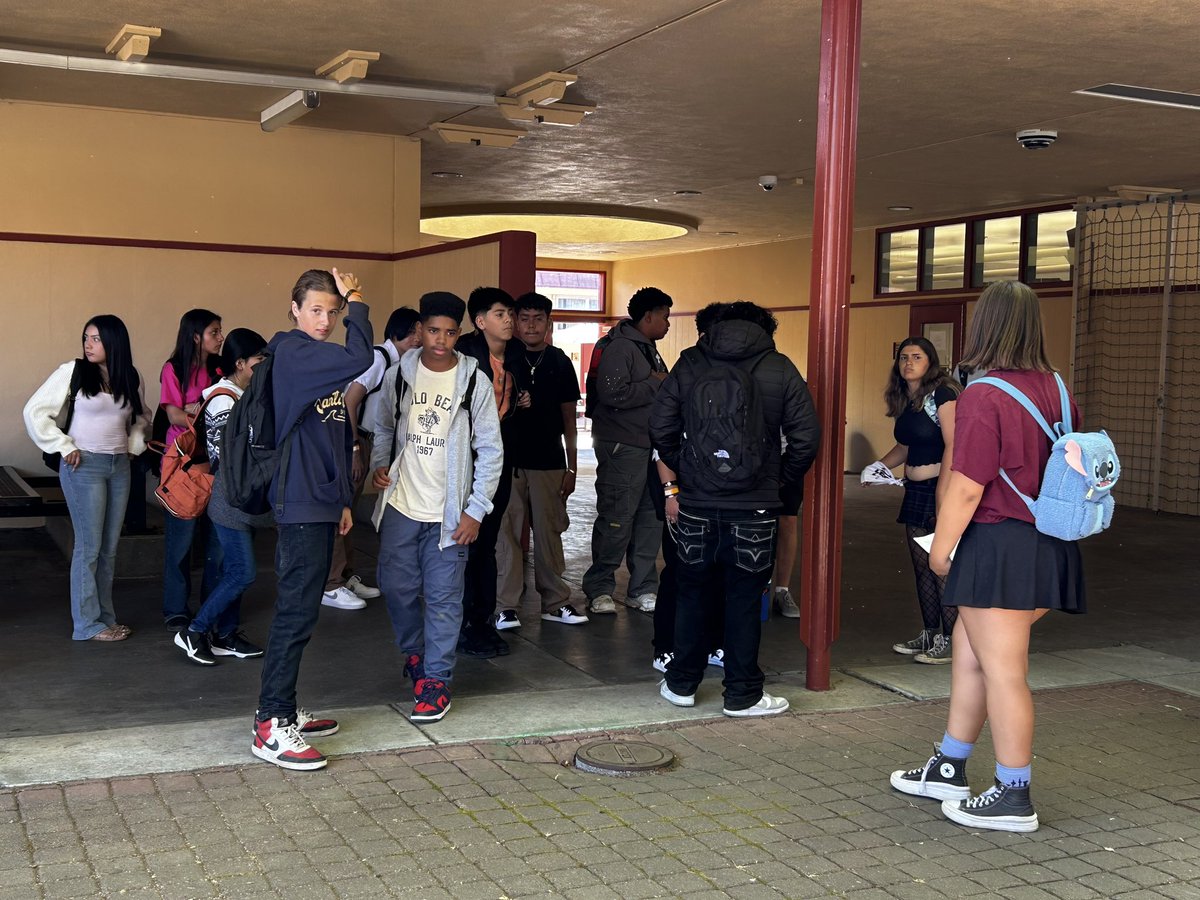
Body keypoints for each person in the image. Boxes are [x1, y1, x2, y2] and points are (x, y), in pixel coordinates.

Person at [888, 280, 1085, 833]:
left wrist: (941, 550)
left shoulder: (983, 394)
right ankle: (949, 766)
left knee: (1003, 670)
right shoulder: (1058, 388)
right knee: (971, 654)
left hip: (999, 547)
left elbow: (969, 486)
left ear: (985, 327)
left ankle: (1013, 794)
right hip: (1047, 541)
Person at [650, 301, 820, 717]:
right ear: (765, 328)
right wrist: (777, 480)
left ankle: (681, 684)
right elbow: (805, 438)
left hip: (696, 503)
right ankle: (742, 693)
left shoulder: (689, 363)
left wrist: (689, 471)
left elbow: (660, 426)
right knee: (744, 596)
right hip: (756, 507)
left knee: (692, 590)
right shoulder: (779, 367)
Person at [251, 268, 374, 771]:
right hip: (299, 501)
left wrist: (342, 500)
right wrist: (358, 300)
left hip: (320, 500)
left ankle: (282, 713)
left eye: (334, 311)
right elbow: (362, 357)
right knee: (297, 611)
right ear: (296, 309)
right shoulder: (297, 352)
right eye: (316, 310)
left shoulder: (314, 360)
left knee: (302, 609)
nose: (325, 320)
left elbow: (332, 438)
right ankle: (271, 724)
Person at [370, 291, 503, 723]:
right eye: (432, 331)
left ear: (459, 334)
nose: (440, 340)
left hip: (450, 514)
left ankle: (436, 681)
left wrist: (475, 510)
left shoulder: (473, 381)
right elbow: (384, 425)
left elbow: (490, 449)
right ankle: (415, 653)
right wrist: (379, 466)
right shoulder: (400, 374)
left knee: (445, 598)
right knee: (396, 587)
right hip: (403, 506)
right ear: (420, 331)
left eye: (449, 332)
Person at [24, 315, 151, 641]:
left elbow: (141, 416)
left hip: (118, 467)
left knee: (109, 548)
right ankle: (87, 624)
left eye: (96, 338)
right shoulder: (74, 371)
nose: (88, 344)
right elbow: (35, 410)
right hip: (84, 467)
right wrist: (63, 446)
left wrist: (135, 443)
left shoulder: (129, 377)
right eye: (86, 338)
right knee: (90, 548)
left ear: (115, 342)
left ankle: (105, 618)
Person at [173, 328, 271, 665]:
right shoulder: (223, 399)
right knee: (240, 572)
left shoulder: (247, 394)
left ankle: (226, 635)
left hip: (246, 499)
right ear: (242, 363)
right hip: (229, 498)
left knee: (233, 569)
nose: (265, 365)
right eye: (260, 360)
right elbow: (225, 457)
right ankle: (194, 630)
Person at [321, 306, 421, 611]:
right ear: (402, 332)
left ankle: (346, 575)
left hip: (364, 438)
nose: (422, 337)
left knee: (349, 507)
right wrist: (353, 449)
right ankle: (331, 584)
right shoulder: (379, 359)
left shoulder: (399, 362)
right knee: (341, 508)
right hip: (351, 437)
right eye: (418, 330)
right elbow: (348, 402)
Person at [495, 291, 584, 628]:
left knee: (549, 532)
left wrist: (572, 465)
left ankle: (555, 601)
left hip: (549, 462)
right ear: (515, 322)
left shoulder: (560, 362)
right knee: (507, 534)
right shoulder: (504, 359)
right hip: (509, 461)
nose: (531, 325)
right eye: (524, 318)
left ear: (548, 323)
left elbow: (569, 419)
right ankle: (505, 606)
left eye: (538, 319)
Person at [869, 337, 960, 664]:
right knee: (921, 565)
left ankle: (952, 638)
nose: (908, 363)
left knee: (941, 564)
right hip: (915, 490)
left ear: (930, 361)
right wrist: (878, 466)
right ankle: (929, 632)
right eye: (903, 357)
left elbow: (954, 445)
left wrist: (943, 494)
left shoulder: (943, 393)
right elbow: (906, 447)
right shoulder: (906, 399)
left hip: (942, 488)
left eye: (916, 357)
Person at [582, 287, 672, 616]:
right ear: (647, 317)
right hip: (623, 447)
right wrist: (655, 382)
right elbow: (613, 394)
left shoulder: (648, 349)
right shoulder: (622, 348)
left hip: (652, 449)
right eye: (664, 317)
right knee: (617, 518)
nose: (667, 324)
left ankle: (643, 588)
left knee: (651, 519)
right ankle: (600, 588)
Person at [652, 303, 728, 672]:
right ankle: (665, 647)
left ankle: (713, 643)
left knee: (719, 572)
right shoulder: (682, 375)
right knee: (681, 572)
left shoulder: (734, 376)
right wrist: (671, 493)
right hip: (682, 493)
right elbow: (662, 441)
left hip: (722, 496)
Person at [455, 286, 520, 657]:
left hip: (497, 465)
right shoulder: (465, 359)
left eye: (509, 312)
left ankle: (480, 621)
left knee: (487, 546)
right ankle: (467, 624)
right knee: (470, 547)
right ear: (480, 322)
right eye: (499, 313)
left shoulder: (514, 360)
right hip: (467, 466)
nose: (508, 319)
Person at [159, 309, 225, 631]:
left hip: (214, 463)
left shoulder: (220, 369)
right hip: (182, 465)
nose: (220, 337)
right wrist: (199, 410)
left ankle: (211, 604)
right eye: (214, 331)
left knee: (216, 541)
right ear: (196, 336)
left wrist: (193, 408)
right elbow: (173, 416)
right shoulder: (174, 369)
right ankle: (175, 607)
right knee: (181, 542)